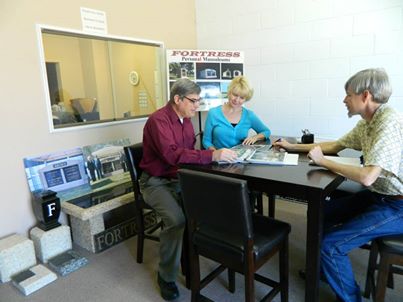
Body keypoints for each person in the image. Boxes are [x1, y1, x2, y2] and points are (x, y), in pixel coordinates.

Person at [274, 68, 403, 302]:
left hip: (398, 206)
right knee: (322, 212)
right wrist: (292, 147)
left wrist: (323, 162)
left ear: (365, 95)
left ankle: (350, 298)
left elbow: (367, 177)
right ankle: (325, 270)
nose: (344, 100)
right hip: (380, 195)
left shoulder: (388, 122)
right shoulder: (368, 122)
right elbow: (335, 146)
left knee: (330, 245)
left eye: (348, 95)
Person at [139, 78, 237, 301]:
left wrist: (212, 157)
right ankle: (166, 277)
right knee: (176, 220)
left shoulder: (186, 120)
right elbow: (172, 155)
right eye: (193, 101)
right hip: (155, 181)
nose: (197, 106)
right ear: (177, 99)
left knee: (212, 207)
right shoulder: (158, 121)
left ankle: (196, 264)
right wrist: (211, 155)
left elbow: (188, 155)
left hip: (179, 178)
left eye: (198, 101)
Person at [202, 76, 271, 150]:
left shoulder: (249, 115)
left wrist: (255, 137)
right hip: (219, 159)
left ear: (246, 99)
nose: (237, 100)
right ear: (229, 92)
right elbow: (206, 141)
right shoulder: (213, 113)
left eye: (242, 98)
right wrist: (216, 153)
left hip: (240, 158)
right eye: (235, 95)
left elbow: (266, 131)